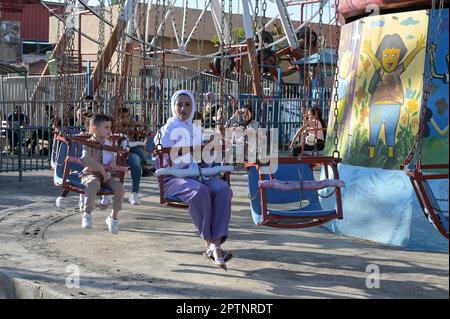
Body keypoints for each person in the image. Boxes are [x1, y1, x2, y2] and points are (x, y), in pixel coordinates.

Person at [155, 90, 233, 269]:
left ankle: (217, 243)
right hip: (175, 177)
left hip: (199, 173)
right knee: (200, 192)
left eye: (187, 104)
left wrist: (211, 150)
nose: (183, 108)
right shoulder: (168, 129)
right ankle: (210, 243)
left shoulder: (196, 128)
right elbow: (165, 159)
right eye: (179, 104)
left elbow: (204, 156)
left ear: (193, 107)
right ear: (173, 107)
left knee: (223, 189)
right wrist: (189, 154)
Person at [80, 114, 125, 234]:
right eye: (106, 127)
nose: (110, 130)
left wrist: (113, 162)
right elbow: (85, 159)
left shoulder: (109, 144)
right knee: (92, 184)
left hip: (106, 176)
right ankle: (87, 214)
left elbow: (112, 157)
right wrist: (100, 168)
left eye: (110, 127)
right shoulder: (89, 143)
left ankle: (113, 218)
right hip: (91, 174)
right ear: (95, 129)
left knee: (120, 188)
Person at [115, 107, 153, 205]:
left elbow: (140, 124)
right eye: (123, 117)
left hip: (129, 149)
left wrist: (140, 122)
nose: (126, 119)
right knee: (137, 156)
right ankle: (144, 168)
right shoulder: (112, 126)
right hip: (118, 151)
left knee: (138, 154)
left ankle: (134, 193)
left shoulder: (129, 124)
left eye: (128, 116)